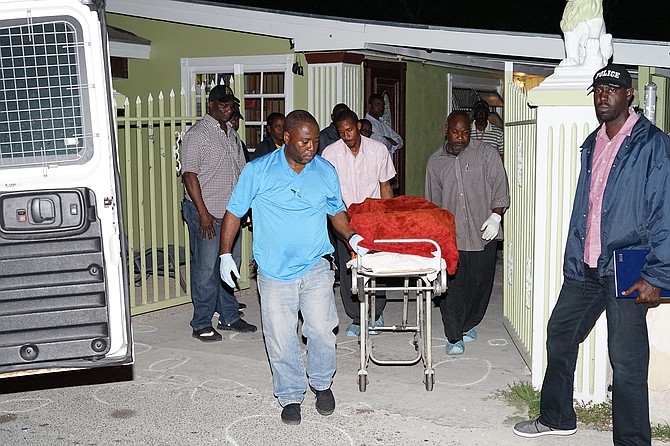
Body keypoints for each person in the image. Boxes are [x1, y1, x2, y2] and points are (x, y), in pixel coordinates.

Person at [513, 64, 670, 444]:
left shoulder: (652, 144)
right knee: (560, 333)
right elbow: (589, 207)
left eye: (612, 89)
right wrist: (573, 256)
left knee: (627, 362)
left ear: (629, 95)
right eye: (598, 88)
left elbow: (665, 208)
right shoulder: (593, 142)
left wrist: (658, 276)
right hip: (587, 264)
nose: (603, 95)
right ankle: (557, 417)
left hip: (627, 266)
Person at [218, 110, 368, 425]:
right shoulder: (258, 170)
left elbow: (336, 211)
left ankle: (322, 383)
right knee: (280, 336)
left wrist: (352, 237)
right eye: (304, 141)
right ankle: (290, 395)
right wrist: (225, 254)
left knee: (322, 330)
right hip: (273, 272)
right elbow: (233, 212)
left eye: (315, 140)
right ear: (286, 138)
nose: (311, 147)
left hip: (315, 264)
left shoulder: (325, 170)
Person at [425, 111, 509, 355]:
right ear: (446, 129)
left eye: (465, 132)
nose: (461, 137)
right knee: (452, 288)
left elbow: (500, 188)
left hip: (484, 234)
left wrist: (496, 216)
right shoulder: (436, 162)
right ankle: (454, 335)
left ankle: (469, 322)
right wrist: (436, 238)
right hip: (452, 238)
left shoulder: (486, 154)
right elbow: (433, 204)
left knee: (480, 287)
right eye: (455, 132)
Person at [181, 84, 257, 342]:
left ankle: (229, 316)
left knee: (228, 266)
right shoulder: (197, 135)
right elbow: (189, 175)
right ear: (211, 105)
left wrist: (244, 209)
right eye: (223, 104)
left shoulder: (231, 134)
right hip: (208, 212)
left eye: (230, 104)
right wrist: (202, 213)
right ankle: (201, 322)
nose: (228, 109)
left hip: (230, 214)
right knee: (205, 269)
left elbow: (241, 173)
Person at [322, 110, 396, 337]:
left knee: (376, 266)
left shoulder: (378, 150)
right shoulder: (330, 153)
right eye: (341, 132)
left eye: (350, 130)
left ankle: (377, 313)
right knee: (348, 269)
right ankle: (356, 317)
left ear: (359, 126)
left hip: (373, 217)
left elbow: (385, 186)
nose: (347, 136)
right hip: (343, 218)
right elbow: (327, 192)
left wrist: (388, 217)